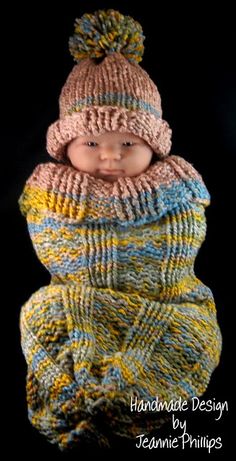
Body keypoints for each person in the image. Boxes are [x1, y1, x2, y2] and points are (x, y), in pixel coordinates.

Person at [19, 9, 222, 451]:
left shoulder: (177, 191)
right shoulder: (50, 194)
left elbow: (178, 256)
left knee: (194, 336)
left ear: (154, 147)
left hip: (166, 303)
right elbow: (56, 251)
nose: (109, 156)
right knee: (37, 312)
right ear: (66, 146)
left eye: (128, 144)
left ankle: (124, 402)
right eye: (92, 144)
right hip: (79, 298)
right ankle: (81, 398)